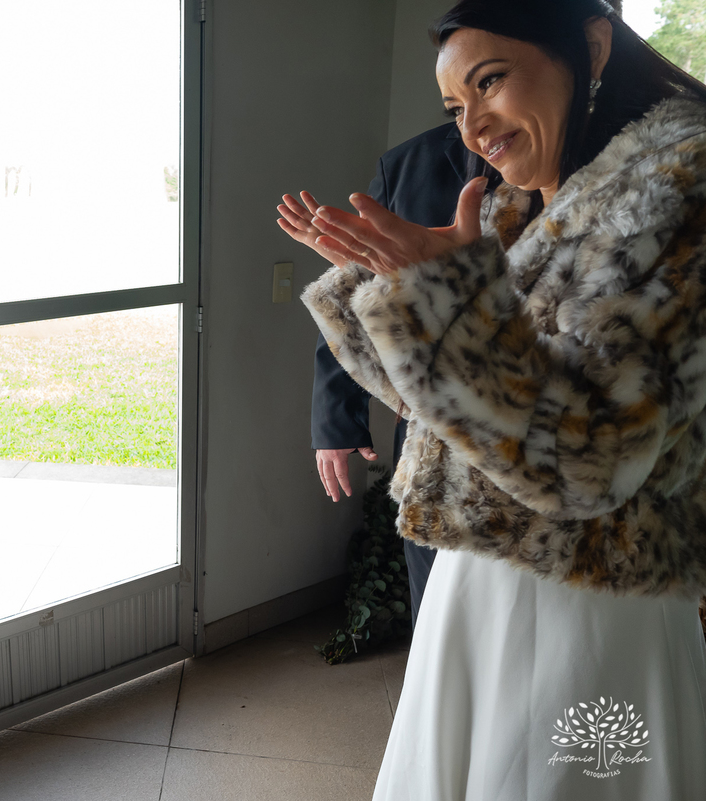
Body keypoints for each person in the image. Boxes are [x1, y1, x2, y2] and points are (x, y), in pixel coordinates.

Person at [281, 0, 706, 797]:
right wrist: (395, 294)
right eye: (454, 106)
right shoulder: (523, 208)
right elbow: (449, 407)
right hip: (479, 579)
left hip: (595, 595)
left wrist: (443, 302)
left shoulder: (679, 188)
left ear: (592, 46)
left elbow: (587, 461)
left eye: (491, 81)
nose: (471, 124)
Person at [296, 122, 467, 630]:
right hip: (424, 438)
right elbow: (362, 293)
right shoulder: (406, 164)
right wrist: (336, 422)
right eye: (455, 99)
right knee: (433, 616)